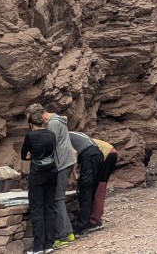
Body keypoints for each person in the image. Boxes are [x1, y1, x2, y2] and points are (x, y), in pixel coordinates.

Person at [26, 104, 77, 247]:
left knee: (57, 199)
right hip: (66, 162)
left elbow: (47, 144)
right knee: (58, 198)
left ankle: (62, 236)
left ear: (39, 114)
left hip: (61, 164)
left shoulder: (53, 124)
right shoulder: (58, 120)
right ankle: (69, 233)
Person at [21, 112, 59, 254]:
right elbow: (53, 151)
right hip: (52, 172)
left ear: (31, 124)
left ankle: (38, 247)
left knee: (37, 209)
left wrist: (30, 155)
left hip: (37, 174)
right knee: (49, 207)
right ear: (42, 122)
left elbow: (24, 155)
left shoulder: (30, 136)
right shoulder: (51, 135)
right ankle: (49, 244)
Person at [68, 131, 104, 236]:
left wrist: (74, 172)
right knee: (92, 189)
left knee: (85, 190)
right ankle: (90, 220)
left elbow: (74, 153)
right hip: (98, 154)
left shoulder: (64, 136)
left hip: (89, 155)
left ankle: (81, 225)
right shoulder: (75, 134)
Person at [87, 136, 118, 231]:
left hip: (107, 155)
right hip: (109, 152)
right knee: (98, 184)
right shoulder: (76, 137)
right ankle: (95, 218)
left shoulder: (68, 142)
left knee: (100, 185)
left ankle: (94, 221)